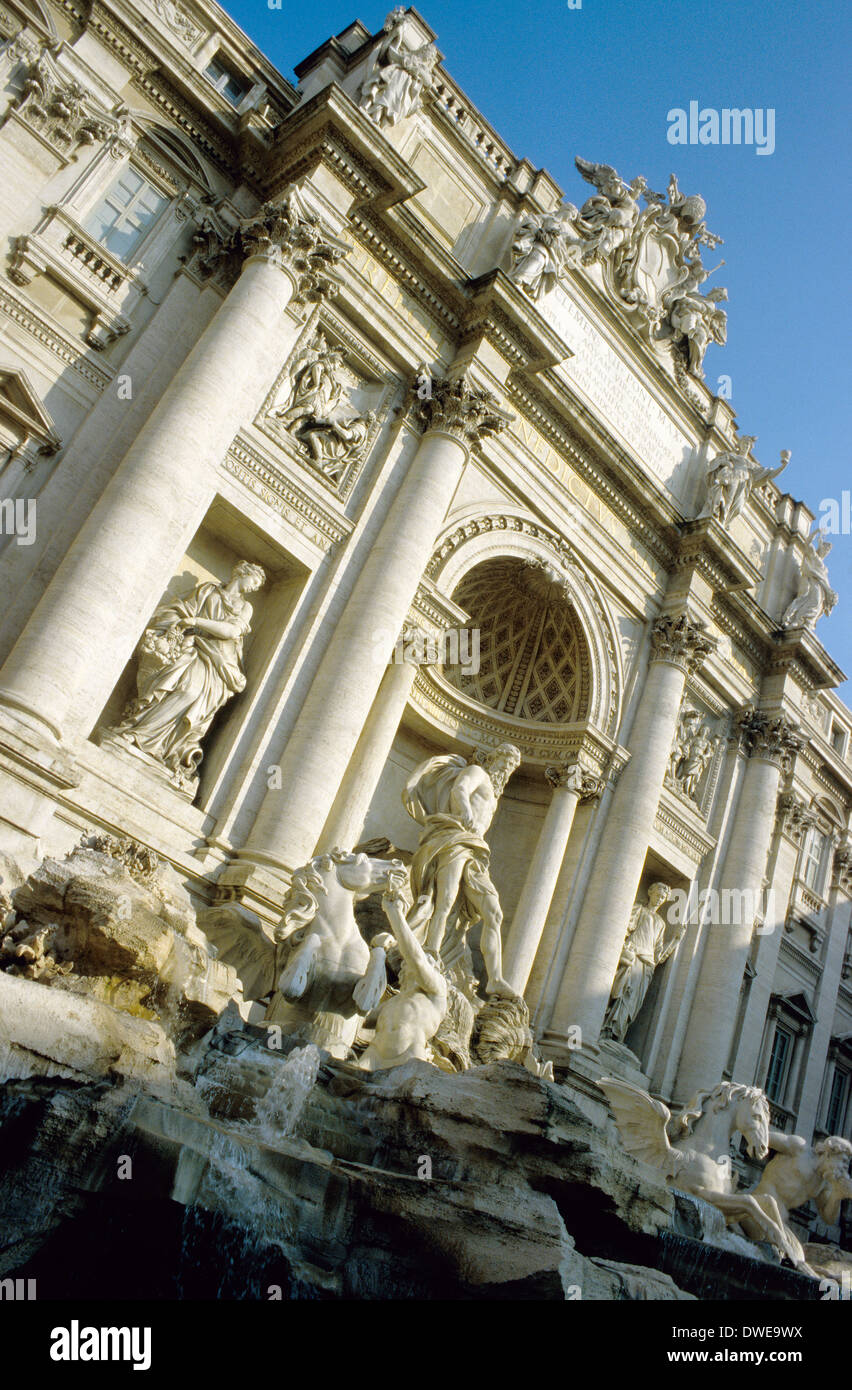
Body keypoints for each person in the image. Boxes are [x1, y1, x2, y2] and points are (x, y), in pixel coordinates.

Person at [403, 743, 521, 997]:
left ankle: (495, 978)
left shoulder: (494, 793)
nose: (507, 769)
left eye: (511, 766)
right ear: (494, 759)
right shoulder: (478, 772)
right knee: (445, 898)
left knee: (494, 911)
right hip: (457, 838)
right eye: (505, 762)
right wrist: (465, 811)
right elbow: (460, 789)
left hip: (475, 849)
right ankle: (432, 950)